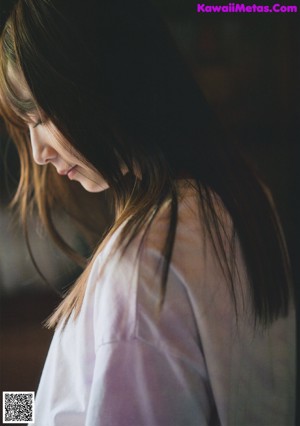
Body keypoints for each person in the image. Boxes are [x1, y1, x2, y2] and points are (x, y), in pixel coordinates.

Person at [0, 0, 295, 425]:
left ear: (105, 83)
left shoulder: (140, 273)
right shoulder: (240, 196)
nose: (37, 152)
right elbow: (65, 399)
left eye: (42, 116)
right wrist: (10, 410)